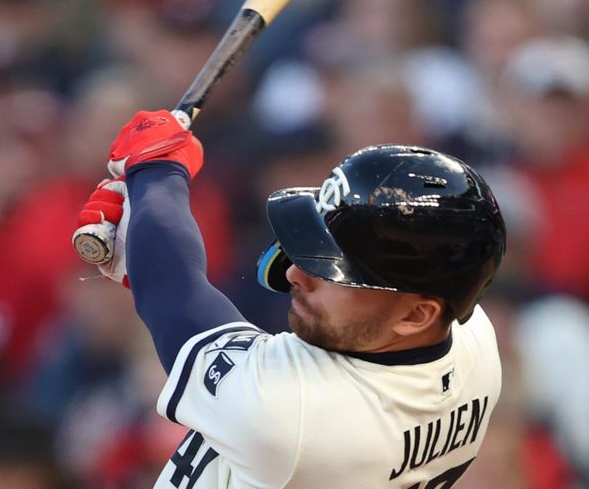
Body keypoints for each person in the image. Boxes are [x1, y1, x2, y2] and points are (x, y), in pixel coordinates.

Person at [73, 110, 507, 488]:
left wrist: (157, 176)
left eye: (336, 273)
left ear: (415, 314)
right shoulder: (472, 342)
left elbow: (176, 298)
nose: (297, 273)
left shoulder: (296, 421)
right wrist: (147, 243)